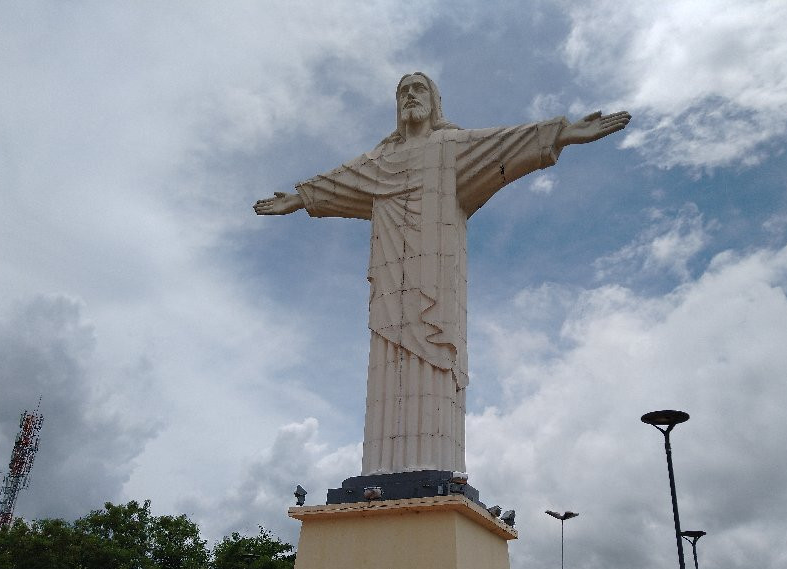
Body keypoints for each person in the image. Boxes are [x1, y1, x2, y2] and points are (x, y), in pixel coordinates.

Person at [254, 72, 630, 476]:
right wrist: (299, 199)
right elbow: (342, 179)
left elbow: (503, 143)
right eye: (403, 91)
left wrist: (561, 134)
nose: (410, 96)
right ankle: (380, 475)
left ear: (434, 102)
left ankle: (433, 471)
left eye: (419, 90)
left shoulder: (450, 147)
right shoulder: (379, 161)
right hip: (390, 290)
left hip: (437, 283)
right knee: (386, 361)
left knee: (435, 365)